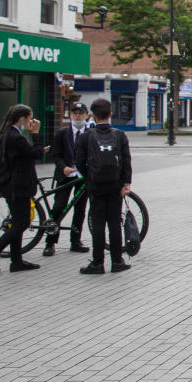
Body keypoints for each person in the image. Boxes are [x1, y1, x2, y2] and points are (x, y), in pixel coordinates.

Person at [0, 105, 46, 274]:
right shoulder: (15, 137)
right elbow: (36, 154)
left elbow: (25, 154)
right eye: (30, 118)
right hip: (18, 187)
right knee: (21, 224)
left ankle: (16, 261)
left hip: (11, 185)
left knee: (17, 222)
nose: (31, 121)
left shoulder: (7, 133)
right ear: (22, 119)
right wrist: (36, 135)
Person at [75, 98, 134, 275]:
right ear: (110, 114)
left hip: (95, 185)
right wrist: (126, 183)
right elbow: (126, 161)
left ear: (92, 115)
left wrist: (89, 177)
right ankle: (117, 261)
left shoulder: (86, 136)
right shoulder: (120, 135)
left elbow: (79, 162)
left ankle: (97, 263)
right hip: (115, 184)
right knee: (115, 222)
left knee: (98, 223)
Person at [44, 101, 93, 255]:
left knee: (80, 209)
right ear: (71, 115)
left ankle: (75, 240)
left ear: (87, 116)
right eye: (75, 114)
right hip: (65, 175)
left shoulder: (90, 133)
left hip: (82, 176)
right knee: (58, 207)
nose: (78, 116)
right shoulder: (62, 133)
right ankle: (50, 242)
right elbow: (55, 154)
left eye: (81, 114)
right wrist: (63, 167)